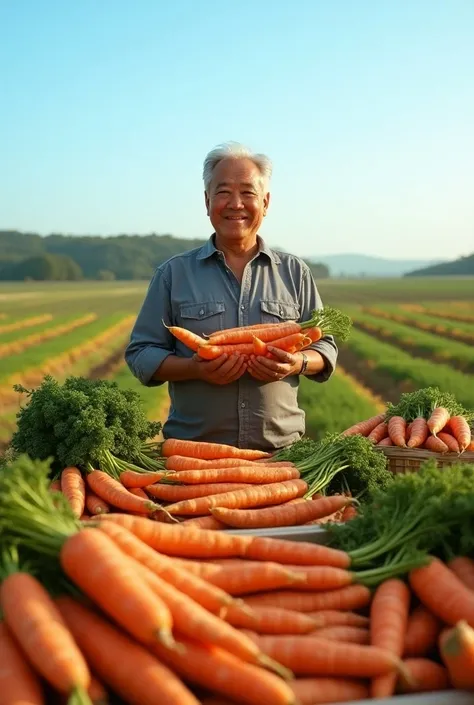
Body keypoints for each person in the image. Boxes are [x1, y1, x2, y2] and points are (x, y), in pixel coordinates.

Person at [125, 141, 338, 451]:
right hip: (194, 457)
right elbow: (141, 353)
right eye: (223, 192)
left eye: (248, 193)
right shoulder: (173, 274)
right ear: (207, 200)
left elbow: (325, 348)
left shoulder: (294, 272)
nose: (236, 203)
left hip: (281, 457)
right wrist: (194, 369)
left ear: (265, 203)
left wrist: (297, 363)